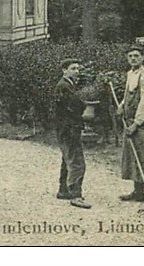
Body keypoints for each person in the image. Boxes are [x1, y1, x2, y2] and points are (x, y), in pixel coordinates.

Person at [117, 47, 144, 204]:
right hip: (129, 121)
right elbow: (128, 94)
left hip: (142, 124)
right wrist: (122, 105)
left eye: (136, 56)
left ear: (142, 58)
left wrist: (136, 123)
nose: (133, 58)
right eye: (130, 56)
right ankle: (138, 192)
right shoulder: (130, 74)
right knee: (133, 157)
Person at [54, 59, 91, 208]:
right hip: (68, 128)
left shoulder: (68, 84)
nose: (77, 71)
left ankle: (63, 190)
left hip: (65, 128)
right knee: (77, 161)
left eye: (78, 68)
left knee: (67, 158)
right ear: (64, 70)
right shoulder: (64, 86)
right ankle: (76, 195)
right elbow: (73, 107)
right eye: (73, 68)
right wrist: (84, 105)